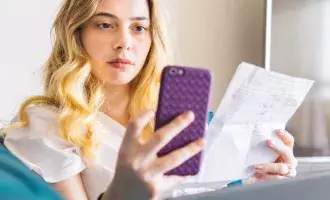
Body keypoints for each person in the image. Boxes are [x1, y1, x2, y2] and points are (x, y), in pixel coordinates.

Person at [3, 0, 298, 199]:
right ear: (76, 34)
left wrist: (262, 188)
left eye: (139, 27)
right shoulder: (45, 124)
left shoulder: (183, 121)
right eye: (105, 25)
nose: (124, 42)